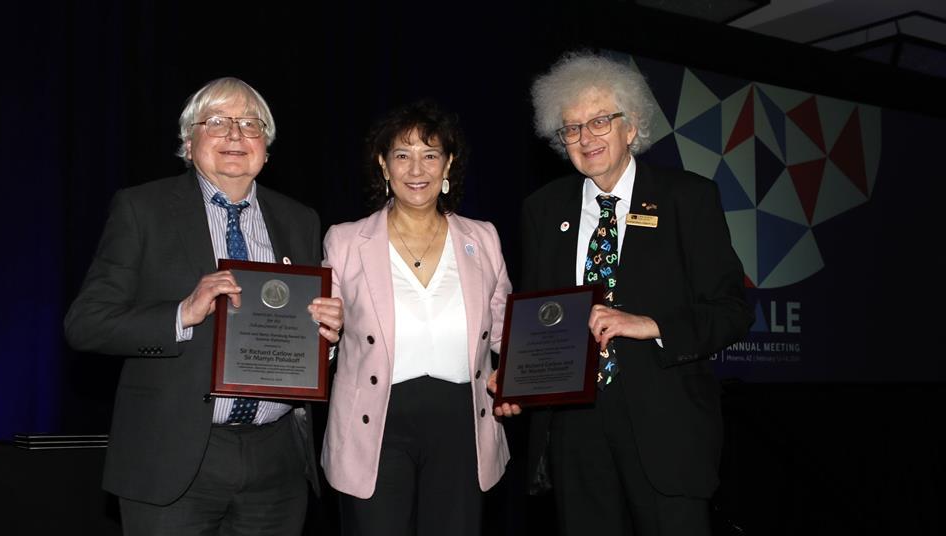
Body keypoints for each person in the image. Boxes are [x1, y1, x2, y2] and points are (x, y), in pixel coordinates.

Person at [64, 77, 343, 536]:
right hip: (173, 458)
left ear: (266, 149)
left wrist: (326, 339)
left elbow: (299, 330)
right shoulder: (142, 209)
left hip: (277, 464)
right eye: (216, 122)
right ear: (188, 143)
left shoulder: (300, 219)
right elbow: (86, 323)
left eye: (250, 124)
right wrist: (182, 313)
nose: (235, 134)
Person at [489, 52, 752, 535]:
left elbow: (733, 310)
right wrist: (517, 379)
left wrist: (651, 325)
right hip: (575, 431)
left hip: (666, 428)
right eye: (572, 128)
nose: (586, 138)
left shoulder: (688, 198)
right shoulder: (543, 210)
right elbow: (540, 315)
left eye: (599, 121)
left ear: (630, 127)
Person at [320, 101, 511, 536]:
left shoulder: (483, 238)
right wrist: (324, 331)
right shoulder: (345, 241)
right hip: (375, 426)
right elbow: (322, 339)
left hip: (463, 426)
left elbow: (506, 331)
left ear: (448, 165)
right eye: (402, 155)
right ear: (383, 165)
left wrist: (521, 374)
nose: (416, 169)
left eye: (430, 154)